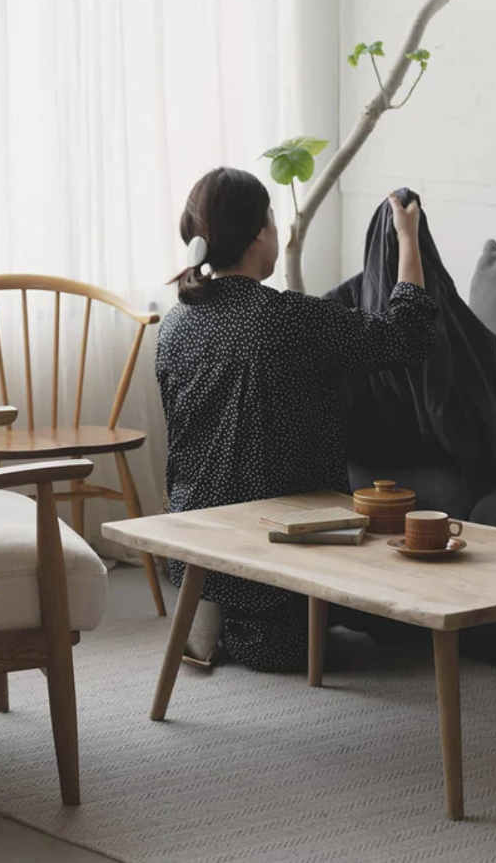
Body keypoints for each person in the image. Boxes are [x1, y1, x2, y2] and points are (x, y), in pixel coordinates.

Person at [156, 166, 438, 672]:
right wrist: (407, 238)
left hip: (196, 534)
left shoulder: (176, 322)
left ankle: (214, 608)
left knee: (284, 638)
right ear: (260, 233)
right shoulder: (283, 318)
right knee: (306, 648)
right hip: (276, 536)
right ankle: (244, 617)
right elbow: (407, 335)